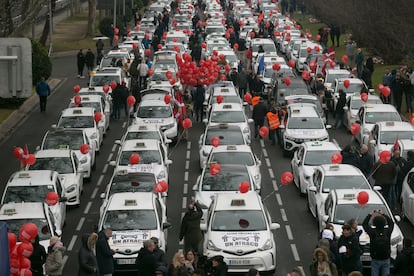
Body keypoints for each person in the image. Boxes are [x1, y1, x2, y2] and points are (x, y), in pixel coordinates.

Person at [362, 210, 394, 276]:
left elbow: (364, 224)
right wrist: (383, 214)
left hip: (375, 258)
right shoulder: (387, 232)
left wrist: (370, 215)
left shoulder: (372, 232)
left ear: (374, 223)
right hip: (386, 257)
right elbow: (391, 223)